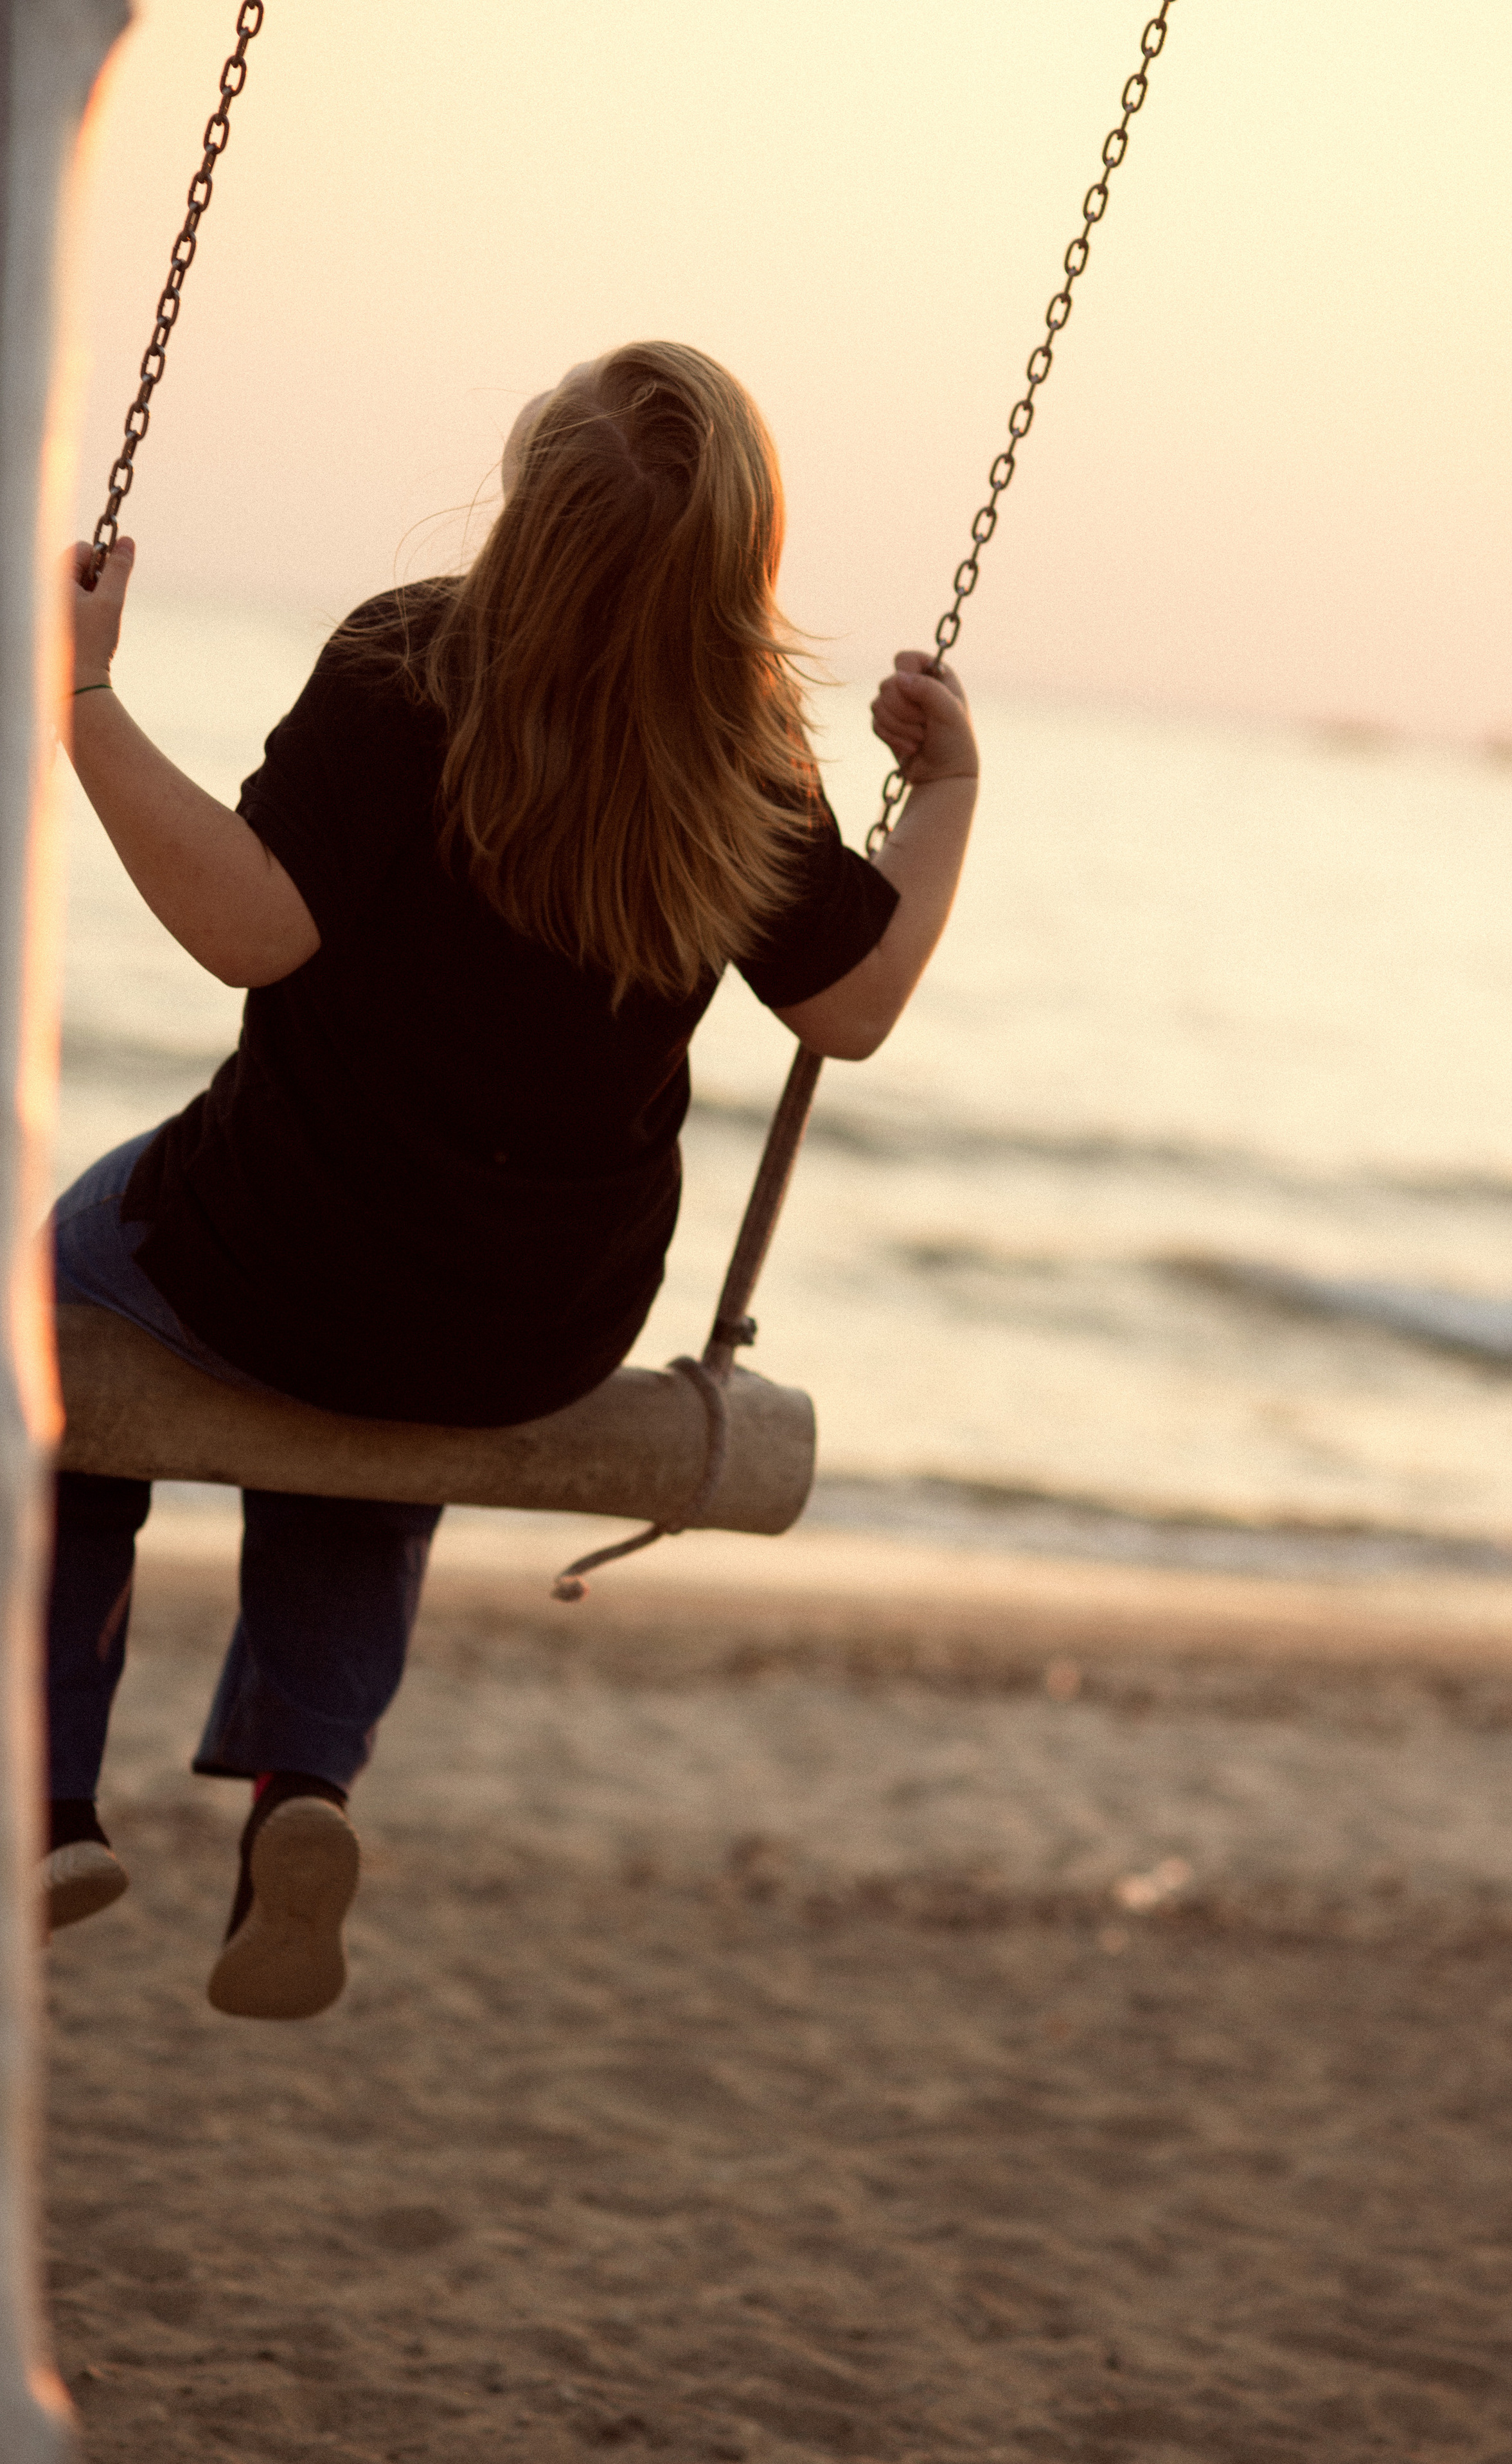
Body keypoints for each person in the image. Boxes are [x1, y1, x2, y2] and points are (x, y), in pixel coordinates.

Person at [44, 341, 980, 2020]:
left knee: (60, 1294)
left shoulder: (410, 663)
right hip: (535, 1320)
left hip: (278, 1253)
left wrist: (88, 704)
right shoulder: (746, 749)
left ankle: (42, 1791)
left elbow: (250, 924)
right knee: (399, 1362)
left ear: (529, 513)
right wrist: (952, 792)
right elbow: (852, 1000)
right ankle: (304, 1789)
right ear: (735, 570)